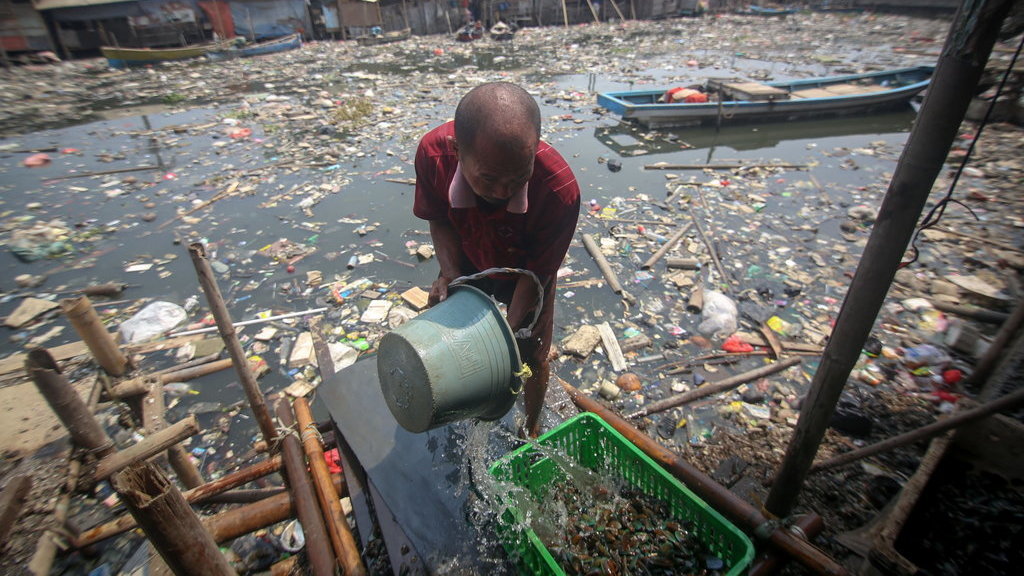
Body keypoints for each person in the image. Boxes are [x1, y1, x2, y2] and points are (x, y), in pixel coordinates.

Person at [413, 82, 580, 437]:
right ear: (458, 150)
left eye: (518, 177)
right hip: (468, 250)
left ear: (535, 150)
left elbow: (536, 273)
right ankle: (461, 402)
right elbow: (439, 217)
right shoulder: (433, 156)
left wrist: (503, 333)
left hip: (526, 269)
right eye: (488, 178)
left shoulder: (558, 190)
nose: (503, 192)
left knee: (530, 354)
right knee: (453, 333)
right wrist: (452, 276)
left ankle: (531, 426)